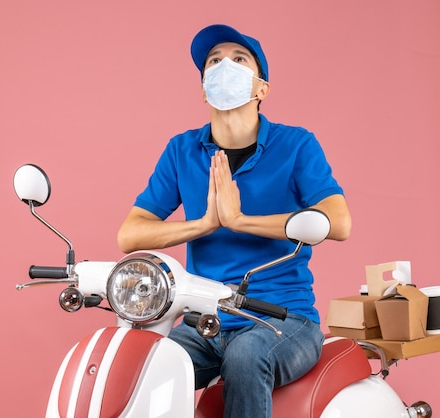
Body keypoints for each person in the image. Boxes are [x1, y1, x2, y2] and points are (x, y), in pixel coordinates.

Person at [117, 24, 352, 418]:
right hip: (204, 321)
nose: (224, 66)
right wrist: (205, 223)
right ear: (204, 87)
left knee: (246, 356)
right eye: (214, 61)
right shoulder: (182, 150)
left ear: (261, 88)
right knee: (142, 363)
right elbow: (130, 233)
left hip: (284, 320)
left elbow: (338, 222)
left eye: (239, 59)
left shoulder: (296, 145)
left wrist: (240, 220)